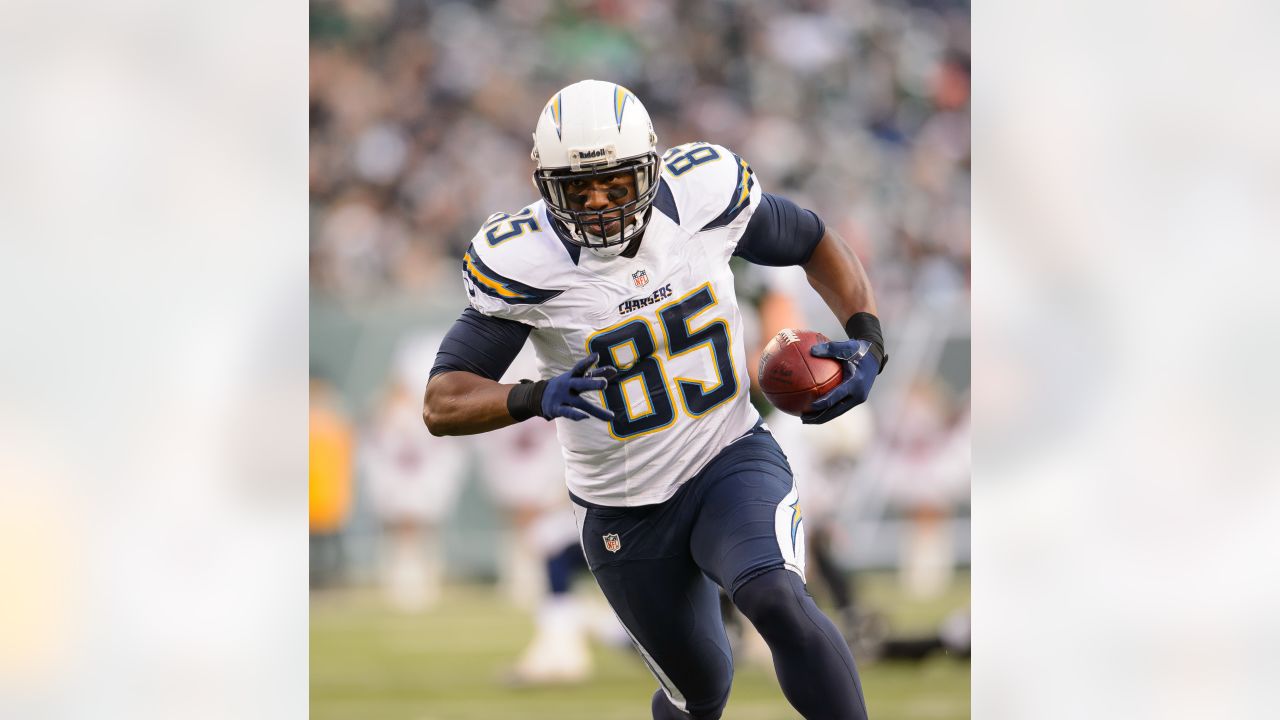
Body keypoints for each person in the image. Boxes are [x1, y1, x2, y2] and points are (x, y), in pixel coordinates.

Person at [424, 79, 887, 720]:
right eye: (576, 188)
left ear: (650, 163)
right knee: (701, 690)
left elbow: (811, 239)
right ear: (542, 185)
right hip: (621, 508)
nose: (598, 203)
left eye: (614, 183)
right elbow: (442, 401)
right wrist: (531, 395)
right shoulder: (525, 260)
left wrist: (868, 339)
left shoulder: (704, 194)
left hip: (726, 456)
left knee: (777, 599)